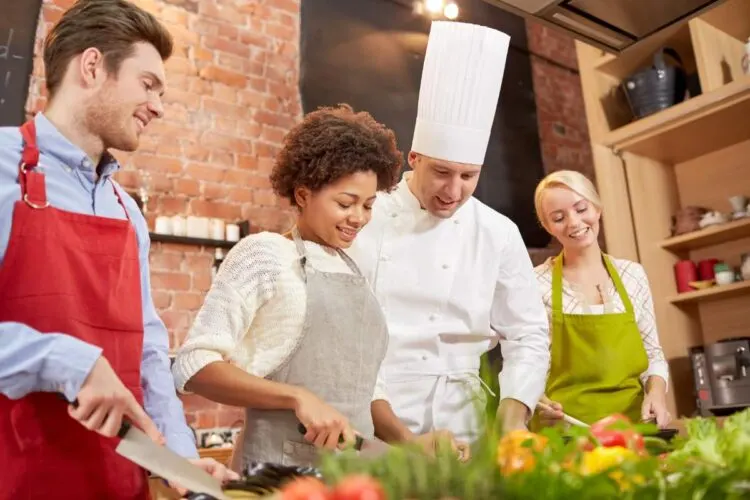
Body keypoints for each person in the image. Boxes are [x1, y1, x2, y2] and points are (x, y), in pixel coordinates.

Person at [0, 1, 236, 498]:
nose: (159, 105)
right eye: (148, 84)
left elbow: (148, 353)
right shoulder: (2, 167)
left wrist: (180, 460)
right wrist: (65, 360)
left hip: (115, 483)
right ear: (91, 67)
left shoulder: (127, 212)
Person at [172, 104, 465, 470]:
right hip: (277, 479)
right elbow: (193, 367)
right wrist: (294, 397)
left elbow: (364, 388)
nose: (358, 218)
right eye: (346, 203)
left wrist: (408, 443)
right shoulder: (265, 255)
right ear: (302, 194)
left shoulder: (355, 268)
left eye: (368, 205)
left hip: (355, 480)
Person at [347, 20, 551, 445]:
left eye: (468, 176)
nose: (453, 191)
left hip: (467, 422)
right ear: (414, 156)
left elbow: (527, 334)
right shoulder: (366, 214)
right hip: (376, 415)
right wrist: (398, 435)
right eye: (441, 172)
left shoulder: (497, 232)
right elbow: (341, 331)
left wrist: (514, 419)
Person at [532, 170, 671, 429]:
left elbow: (653, 354)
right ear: (548, 227)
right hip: (566, 433)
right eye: (559, 217)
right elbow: (529, 364)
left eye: (581, 208)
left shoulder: (633, 275)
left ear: (597, 208)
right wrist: (535, 401)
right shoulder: (535, 284)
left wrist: (657, 395)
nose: (573, 223)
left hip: (633, 428)